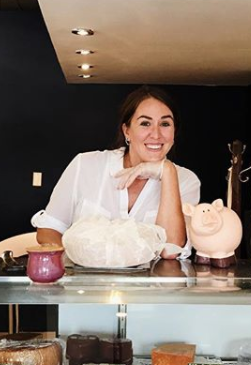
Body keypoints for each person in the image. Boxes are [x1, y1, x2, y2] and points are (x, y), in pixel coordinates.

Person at [31, 85, 201, 259]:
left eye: (165, 124)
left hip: (150, 286)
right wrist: (74, 269)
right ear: (127, 130)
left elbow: (170, 250)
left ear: (174, 132)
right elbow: (48, 230)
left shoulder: (186, 181)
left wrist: (167, 171)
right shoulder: (85, 165)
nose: (156, 134)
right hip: (85, 284)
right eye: (145, 123)